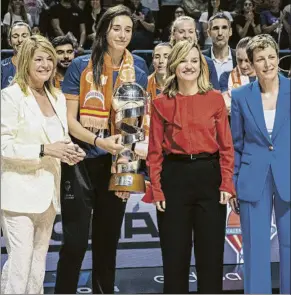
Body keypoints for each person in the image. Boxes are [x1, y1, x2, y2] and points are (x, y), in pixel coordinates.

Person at [54, 5, 148, 294]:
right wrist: (98, 142)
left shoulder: (139, 69)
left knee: (107, 243)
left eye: (128, 29)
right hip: (81, 161)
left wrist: (127, 173)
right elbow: (70, 121)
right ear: (105, 29)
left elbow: (136, 127)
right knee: (76, 242)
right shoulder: (81, 66)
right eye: (116, 28)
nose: (122, 34)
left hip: (117, 164)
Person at [147, 40, 235, 293]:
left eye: (195, 60)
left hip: (209, 178)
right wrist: (158, 189)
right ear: (174, 64)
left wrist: (227, 182)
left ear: (202, 65)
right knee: (174, 258)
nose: (189, 66)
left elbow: (226, 147)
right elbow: (154, 152)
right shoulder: (161, 103)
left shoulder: (215, 100)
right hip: (174, 179)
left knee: (211, 258)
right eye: (184, 60)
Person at [0, 34, 85, 294]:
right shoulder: (10, 96)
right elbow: (4, 146)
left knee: (38, 263)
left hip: (48, 193)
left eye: (50, 58)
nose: (46, 64)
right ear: (25, 61)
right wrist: (44, 149)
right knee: (20, 262)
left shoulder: (57, 97)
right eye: (39, 59)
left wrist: (70, 150)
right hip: (18, 194)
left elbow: (58, 139)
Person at [230, 34, 290, 294]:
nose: (267, 64)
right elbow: (236, 144)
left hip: (288, 175)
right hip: (253, 177)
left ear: (278, 58)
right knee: (255, 247)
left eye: (271, 57)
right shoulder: (241, 96)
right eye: (260, 60)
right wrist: (232, 182)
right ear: (251, 65)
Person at [170, 15, 220, 90]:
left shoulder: (207, 62)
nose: (186, 36)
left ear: (196, 35)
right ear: (173, 34)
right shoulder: (164, 59)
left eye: (190, 31)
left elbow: (215, 93)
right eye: (181, 32)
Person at [219, 36, 256, 113]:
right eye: (239, 60)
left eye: (247, 60)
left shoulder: (265, 77)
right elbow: (226, 105)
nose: (242, 65)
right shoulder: (226, 77)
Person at [203, 12, 237, 80]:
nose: (220, 33)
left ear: (230, 31)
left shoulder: (239, 58)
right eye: (216, 28)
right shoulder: (201, 58)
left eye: (224, 28)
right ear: (209, 33)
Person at [1, 21, 31, 89]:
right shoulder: (1, 68)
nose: (20, 40)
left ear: (31, 39)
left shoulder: (41, 65)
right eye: (15, 36)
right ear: (9, 41)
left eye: (24, 36)